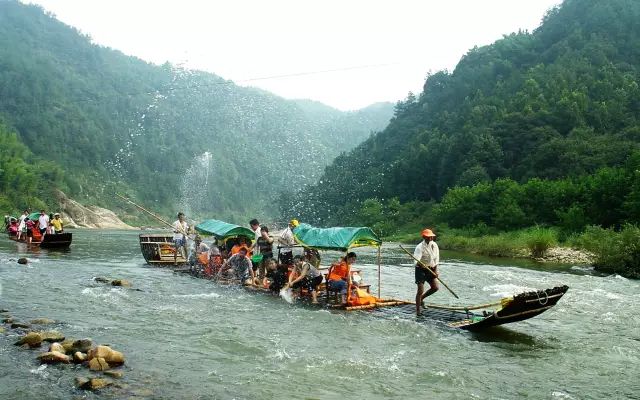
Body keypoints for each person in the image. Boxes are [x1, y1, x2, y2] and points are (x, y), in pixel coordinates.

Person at [414, 228, 440, 316]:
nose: (431, 238)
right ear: (424, 237)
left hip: (431, 268)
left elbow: (436, 259)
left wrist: (436, 271)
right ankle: (418, 311)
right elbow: (416, 261)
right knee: (420, 289)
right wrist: (421, 264)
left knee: (435, 287)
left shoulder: (434, 245)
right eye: (428, 237)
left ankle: (421, 299)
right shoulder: (419, 247)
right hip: (420, 269)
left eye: (431, 237)